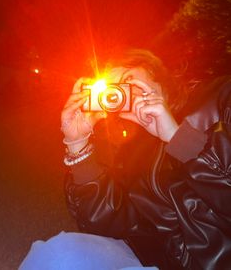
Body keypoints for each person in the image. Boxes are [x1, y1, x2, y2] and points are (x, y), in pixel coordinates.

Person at [61, 49, 231, 270]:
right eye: (115, 91)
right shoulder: (133, 152)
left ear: (151, 70)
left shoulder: (220, 97)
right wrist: (77, 145)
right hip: (162, 265)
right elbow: (113, 227)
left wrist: (178, 137)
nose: (127, 93)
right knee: (62, 252)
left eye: (128, 79)